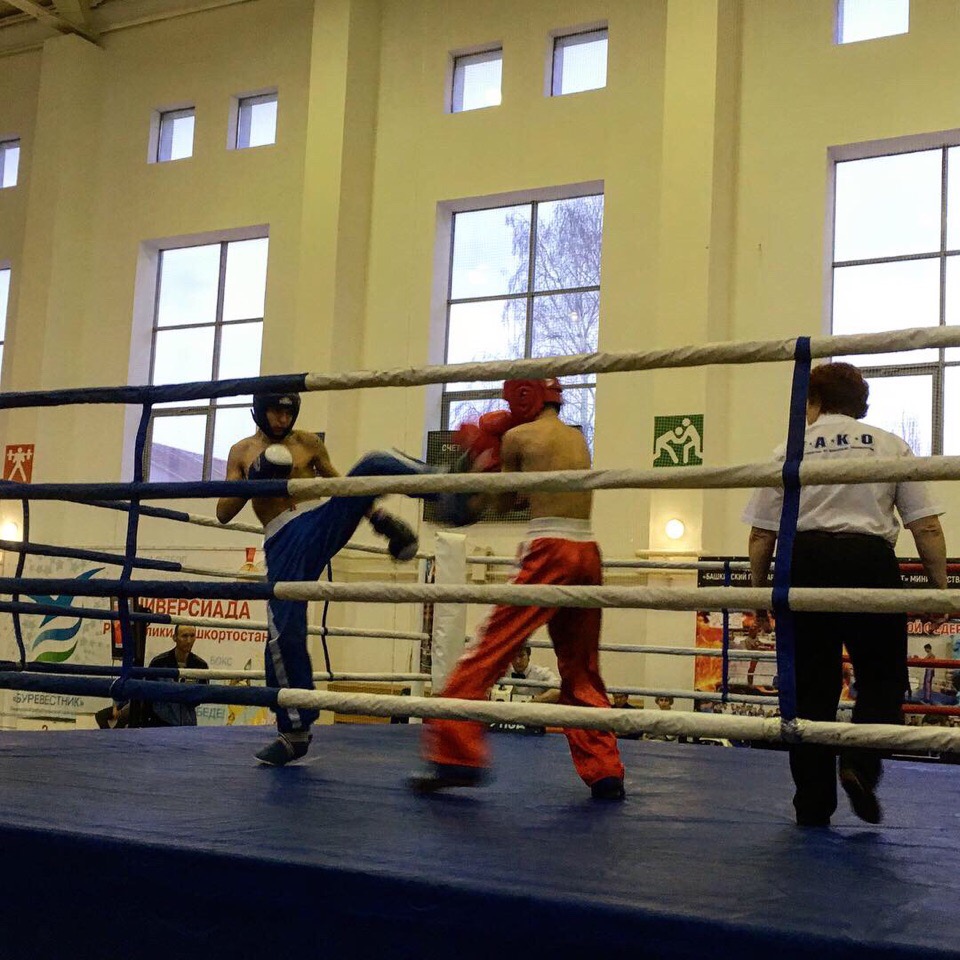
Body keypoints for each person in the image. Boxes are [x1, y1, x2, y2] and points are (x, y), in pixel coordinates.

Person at [743, 362, 947, 827]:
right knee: (883, 679)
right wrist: (939, 591)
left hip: (806, 563)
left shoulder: (789, 449)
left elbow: (761, 535)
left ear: (812, 401)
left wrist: (759, 596)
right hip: (869, 562)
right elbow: (927, 527)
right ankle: (859, 764)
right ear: (861, 404)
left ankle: (813, 805)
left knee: (810, 691)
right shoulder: (890, 445)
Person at [411, 378, 625, 801]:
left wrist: (482, 462)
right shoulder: (577, 438)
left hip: (548, 548)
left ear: (522, 396)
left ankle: (455, 754)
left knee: (489, 648)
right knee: (581, 667)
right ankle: (604, 769)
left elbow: (505, 503)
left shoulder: (517, 437)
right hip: (587, 551)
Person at [217, 391, 432, 765]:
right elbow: (222, 512)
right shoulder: (242, 451)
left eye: (289, 413)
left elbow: (341, 485)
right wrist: (255, 480)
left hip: (318, 522)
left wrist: (378, 518)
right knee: (284, 633)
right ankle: (294, 731)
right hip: (283, 539)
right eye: (276, 412)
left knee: (371, 466)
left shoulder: (309, 444)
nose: (283, 420)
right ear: (260, 410)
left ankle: (442, 485)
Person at [144, 624, 209, 727]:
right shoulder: (159, 663)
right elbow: (147, 695)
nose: (189, 641)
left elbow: (201, 697)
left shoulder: (201, 665)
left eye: (192, 636)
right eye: (184, 636)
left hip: (188, 726)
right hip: (159, 725)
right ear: (174, 637)